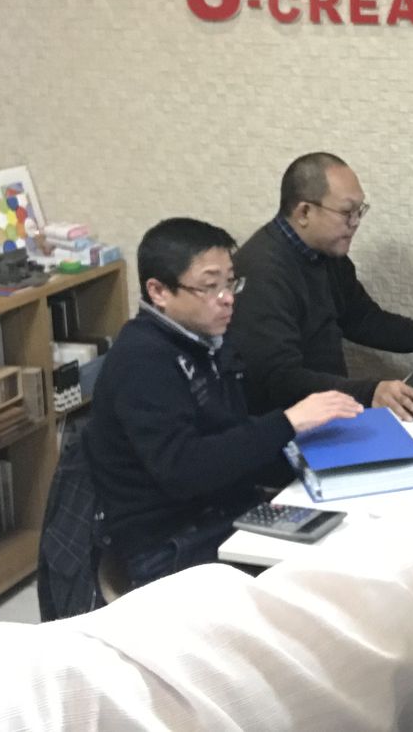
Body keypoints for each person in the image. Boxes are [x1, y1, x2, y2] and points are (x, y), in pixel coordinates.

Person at [85, 217, 363, 587]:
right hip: (168, 541)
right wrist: (287, 422)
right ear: (159, 291)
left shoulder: (208, 340)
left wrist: (313, 458)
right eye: (209, 286)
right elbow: (185, 470)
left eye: (230, 282)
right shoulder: (142, 359)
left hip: (225, 509)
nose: (227, 298)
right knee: (326, 583)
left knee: (351, 538)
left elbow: (234, 435)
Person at [230, 151, 413, 420]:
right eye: (346, 212)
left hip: (330, 413)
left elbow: (364, 319)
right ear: (304, 212)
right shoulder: (261, 273)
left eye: (359, 211)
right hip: (287, 426)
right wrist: (369, 393)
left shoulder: (326, 253)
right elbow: (278, 379)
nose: (355, 223)